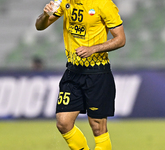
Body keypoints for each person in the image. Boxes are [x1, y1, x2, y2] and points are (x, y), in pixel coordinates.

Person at [35, 0, 126, 149]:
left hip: (97, 73)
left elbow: (121, 39)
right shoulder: (64, 1)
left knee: (97, 127)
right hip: (73, 72)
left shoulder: (104, 4)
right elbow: (39, 26)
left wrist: (93, 49)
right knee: (63, 122)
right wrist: (45, 15)